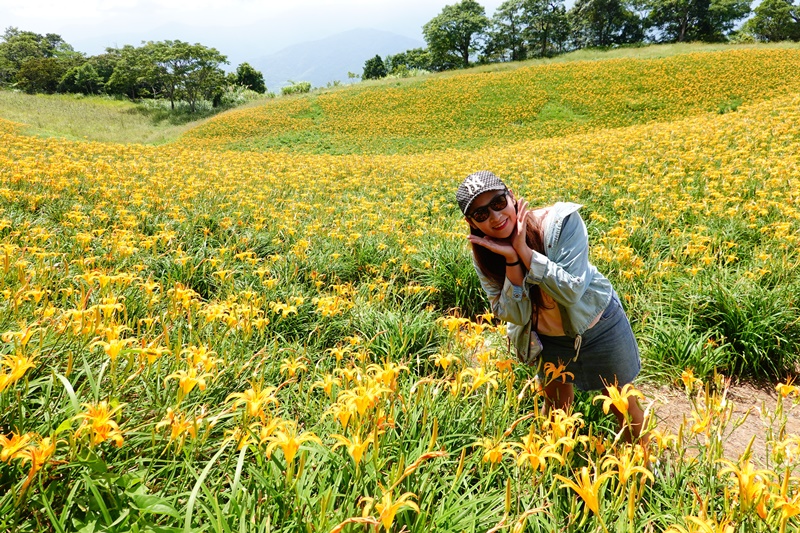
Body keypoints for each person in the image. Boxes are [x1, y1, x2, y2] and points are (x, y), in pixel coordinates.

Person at [456, 170, 646, 442]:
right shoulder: (485, 253)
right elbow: (512, 314)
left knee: (622, 404)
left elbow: (571, 291)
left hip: (599, 326)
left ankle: (643, 469)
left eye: (498, 203)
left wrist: (524, 252)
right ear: (471, 222)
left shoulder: (560, 223)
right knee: (556, 409)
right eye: (481, 214)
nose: (495, 217)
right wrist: (511, 263)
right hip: (549, 339)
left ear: (511, 196)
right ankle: (555, 464)